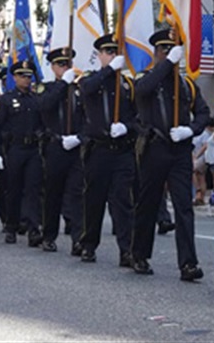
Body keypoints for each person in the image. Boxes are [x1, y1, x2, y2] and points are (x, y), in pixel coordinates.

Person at [130, 29, 211, 281]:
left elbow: (203, 113)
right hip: (154, 147)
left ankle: (188, 263)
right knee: (149, 203)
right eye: (163, 50)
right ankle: (140, 255)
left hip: (179, 150)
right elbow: (142, 90)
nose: (168, 53)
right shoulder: (146, 77)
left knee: (183, 206)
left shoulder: (186, 84)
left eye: (171, 49)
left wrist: (190, 130)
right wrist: (166, 65)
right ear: (156, 53)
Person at [76, 34, 137, 266]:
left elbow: (138, 118)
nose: (111, 55)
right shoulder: (91, 79)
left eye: (114, 52)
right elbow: (87, 89)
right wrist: (109, 70)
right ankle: (88, 244)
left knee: (122, 201)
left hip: (121, 150)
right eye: (107, 52)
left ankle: (127, 250)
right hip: (98, 150)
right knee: (94, 200)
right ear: (99, 55)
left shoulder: (127, 84)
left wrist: (126, 127)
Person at [0, 59, 45, 246]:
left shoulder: (36, 100)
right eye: (22, 76)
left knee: (33, 190)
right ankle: (11, 226)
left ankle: (33, 228)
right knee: (13, 190)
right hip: (14, 149)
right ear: (15, 77)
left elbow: (42, 124)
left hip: (33, 149)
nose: (26, 79)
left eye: (29, 76)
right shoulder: (5, 100)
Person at [38, 47, 85, 254]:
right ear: (53, 67)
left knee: (76, 194)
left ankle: (78, 239)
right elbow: (45, 106)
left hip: (74, 148)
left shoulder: (79, 90)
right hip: (54, 147)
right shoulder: (47, 88)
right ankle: (49, 236)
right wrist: (63, 83)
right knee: (53, 194)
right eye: (60, 64)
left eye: (67, 64)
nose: (65, 67)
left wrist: (79, 138)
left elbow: (87, 118)